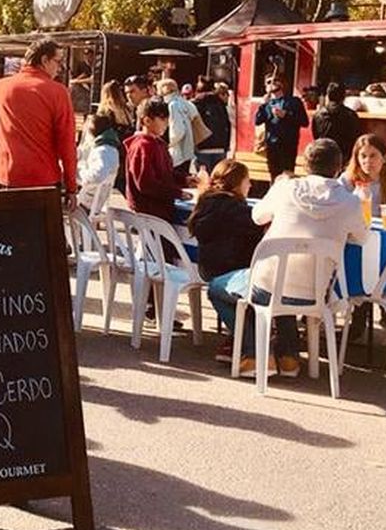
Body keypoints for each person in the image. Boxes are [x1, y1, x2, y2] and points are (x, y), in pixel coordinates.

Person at [239, 138, 368, 377]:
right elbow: (362, 238)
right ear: (338, 168)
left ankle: (255, 355)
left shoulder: (285, 188)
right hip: (315, 293)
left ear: (305, 165)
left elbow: (257, 217)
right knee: (293, 283)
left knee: (226, 287)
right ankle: (288, 357)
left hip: (269, 285)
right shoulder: (351, 203)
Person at [187, 160, 266, 371]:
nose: (250, 186)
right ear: (238, 183)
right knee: (257, 279)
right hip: (233, 268)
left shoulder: (204, 203)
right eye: (248, 181)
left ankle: (236, 338)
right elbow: (256, 232)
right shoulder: (238, 209)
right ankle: (248, 341)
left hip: (208, 267)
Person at [0, 39, 78, 208]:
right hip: (42, 179)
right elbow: (66, 143)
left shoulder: (1, 87)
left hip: (6, 175)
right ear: (45, 60)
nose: (60, 68)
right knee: (39, 234)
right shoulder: (57, 92)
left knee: (6, 233)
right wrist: (71, 187)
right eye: (58, 61)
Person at [123, 97, 178, 224]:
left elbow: (165, 173)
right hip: (149, 212)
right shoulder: (142, 146)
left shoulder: (159, 143)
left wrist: (184, 179)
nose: (167, 123)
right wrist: (177, 193)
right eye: (163, 119)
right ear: (147, 120)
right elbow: (145, 184)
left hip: (159, 209)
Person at [254, 74, 308, 179]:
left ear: (282, 84)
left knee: (288, 176)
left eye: (275, 81)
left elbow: (304, 122)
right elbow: (257, 121)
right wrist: (262, 105)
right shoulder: (267, 104)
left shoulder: (294, 101)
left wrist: (286, 115)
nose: (272, 84)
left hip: (288, 146)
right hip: (272, 145)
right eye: (268, 82)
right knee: (274, 176)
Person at [156, 77, 203, 184]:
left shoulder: (172, 105)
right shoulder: (186, 103)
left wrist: (168, 144)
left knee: (175, 181)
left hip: (177, 151)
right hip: (188, 149)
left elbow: (178, 131)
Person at [76, 113, 122, 214]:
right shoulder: (111, 148)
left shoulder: (102, 150)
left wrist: (80, 172)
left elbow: (98, 175)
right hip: (97, 201)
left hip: (88, 202)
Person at [312, 82, 362, 163]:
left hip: (323, 152)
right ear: (344, 97)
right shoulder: (350, 115)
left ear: (328, 96)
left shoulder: (318, 115)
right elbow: (355, 137)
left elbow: (315, 135)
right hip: (343, 156)